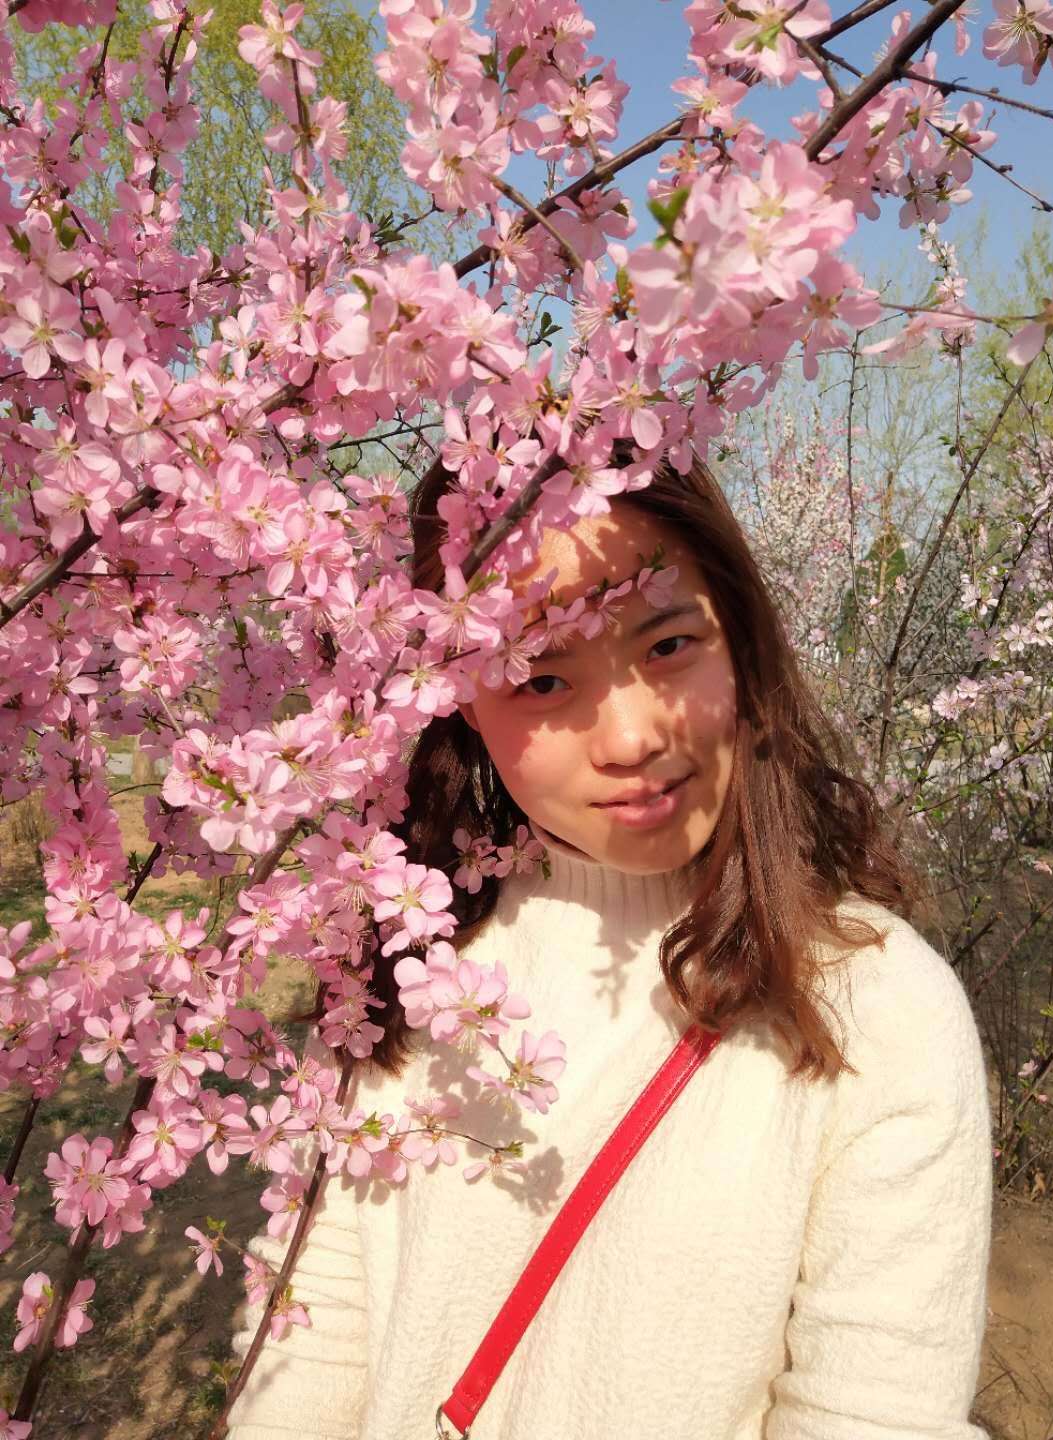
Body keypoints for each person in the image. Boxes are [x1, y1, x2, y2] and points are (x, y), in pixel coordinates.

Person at [226, 452, 994, 1440]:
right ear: (456, 700)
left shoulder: (879, 1010)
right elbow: (309, 1340)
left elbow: (873, 1417)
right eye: (542, 676)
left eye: (669, 643)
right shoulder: (402, 969)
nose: (632, 738)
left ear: (740, 636)